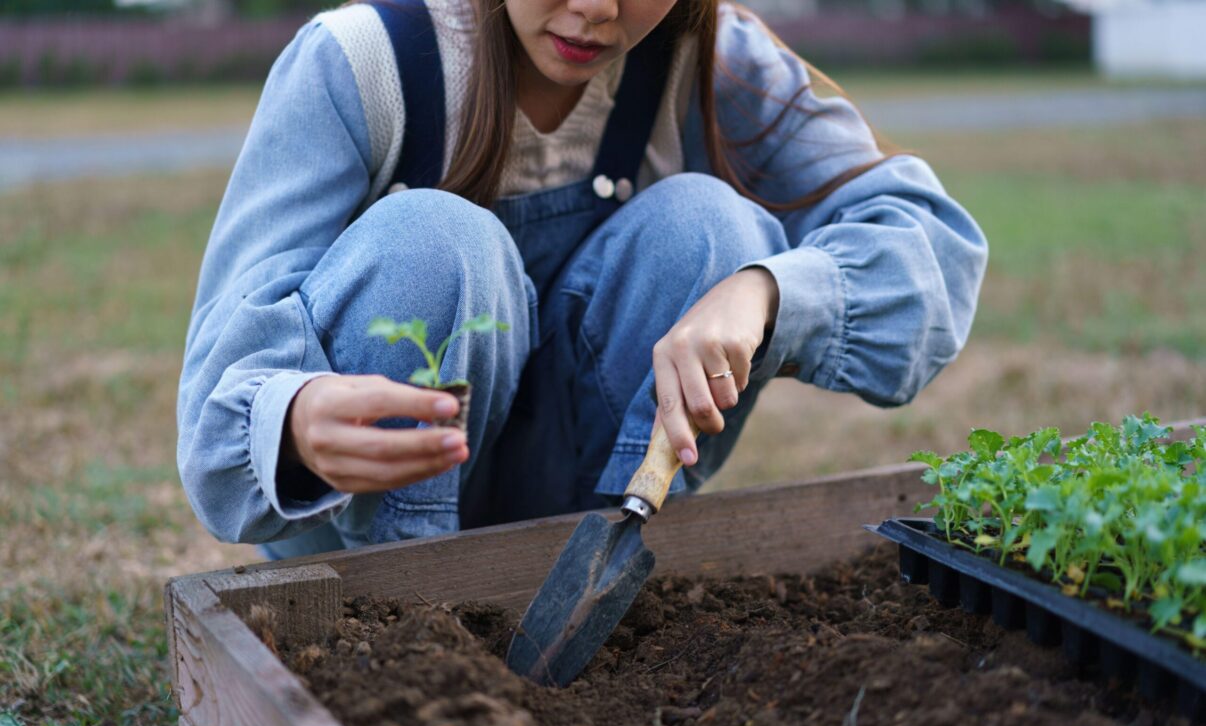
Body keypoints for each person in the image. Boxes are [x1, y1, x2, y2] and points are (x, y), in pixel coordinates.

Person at [177, 0, 988, 559]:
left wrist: (770, 292)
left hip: (577, 512)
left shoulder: (707, 55)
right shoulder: (364, 63)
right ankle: (407, 615)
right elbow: (217, 423)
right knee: (437, 238)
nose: (596, 8)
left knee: (713, 227)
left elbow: (935, 255)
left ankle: (592, 583)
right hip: (359, 543)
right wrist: (295, 419)